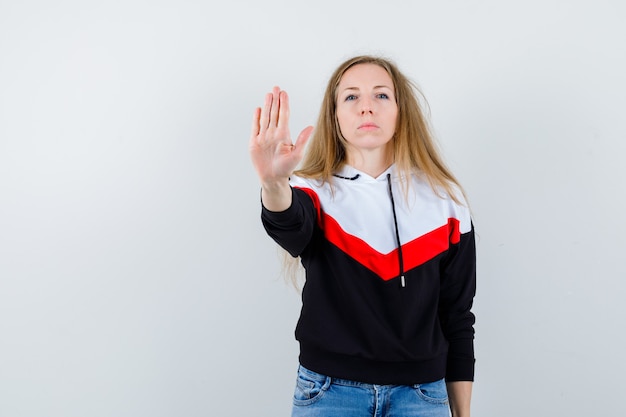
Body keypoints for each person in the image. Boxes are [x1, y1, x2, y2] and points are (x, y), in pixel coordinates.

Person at [249, 55, 476, 417]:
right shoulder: (311, 191)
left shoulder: (445, 200)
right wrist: (274, 183)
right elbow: (289, 226)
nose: (367, 107)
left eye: (381, 95)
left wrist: (461, 414)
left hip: (421, 396)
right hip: (327, 393)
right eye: (351, 97)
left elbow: (458, 316)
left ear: (402, 112)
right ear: (335, 117)